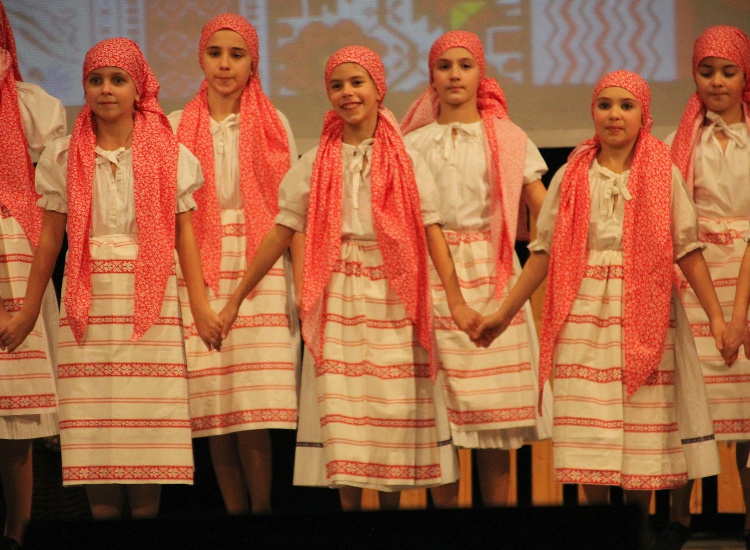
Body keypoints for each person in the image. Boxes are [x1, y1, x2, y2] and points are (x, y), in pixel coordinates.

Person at [218, 45, 481, 511]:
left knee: (390, 414)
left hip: (394, 295)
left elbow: (432, 231)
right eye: (337, 85)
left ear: (379, 90)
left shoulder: (406, 158)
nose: (347, 92)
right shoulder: (318, 160)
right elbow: (281, 230)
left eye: (357, 82)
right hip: (339, 295)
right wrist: (236, 297)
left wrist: (456, 301)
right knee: (345, 417)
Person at [475, 70, 721, 524]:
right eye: (605, 105)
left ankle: (636, 530)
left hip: (645, 313)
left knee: (642, 433)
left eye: (626, 106)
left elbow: (687, 250)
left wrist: (719, 320)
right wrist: (503, 314)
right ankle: (603, 530)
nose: (614, 114)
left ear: (644, 115)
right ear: (593, 112)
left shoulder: (661, 171)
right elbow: (543, 252)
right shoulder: (573, 174)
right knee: (592, 432)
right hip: (584, 314)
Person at [0, 37, 222, 520]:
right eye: (95, 80)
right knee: (95, 431)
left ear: (138, 87)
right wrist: (28, 311)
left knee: (146, 431)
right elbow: (49, 242)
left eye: (118, 80)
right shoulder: (64, 157)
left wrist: (201, 307)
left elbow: (185, 235)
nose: (106, 89)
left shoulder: (168, 152)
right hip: (90, 303)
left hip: (151, 303)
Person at [401, 30, 551, 507]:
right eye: (444, 66)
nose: (454, 75)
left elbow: (547, 212)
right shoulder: (412, 143)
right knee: (440, 419)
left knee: (494, 419)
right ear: (432, 77)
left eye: (465, 65)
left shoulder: (507, 138)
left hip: (493, 272)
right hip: (432, 275)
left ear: (480, 73)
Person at [168, 13, 300, 515]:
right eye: (215, 53)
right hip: (198, 259)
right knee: (214, 408)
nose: (225, 65)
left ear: (253, 63)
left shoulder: (274, 122)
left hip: (258, 262)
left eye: (236, 55)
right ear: (201, 58)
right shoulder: (176, 125)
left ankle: (261, 513)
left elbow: (293, 211)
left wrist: (303, 285)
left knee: (251, 406)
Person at [658, 25, 750, 550]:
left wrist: (737, 315)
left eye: (728, 72)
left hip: (747, 269)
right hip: (696, 276)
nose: (716, 82)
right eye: (706, 71)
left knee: (746, 402)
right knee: (690, 401)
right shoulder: (682, 140)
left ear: (744, 76)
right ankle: (677, 517)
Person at [0, 2, 65, 547]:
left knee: (14, 411)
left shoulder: (28, 104)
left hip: (12, 246)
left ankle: (17, 528)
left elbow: (56, 186)